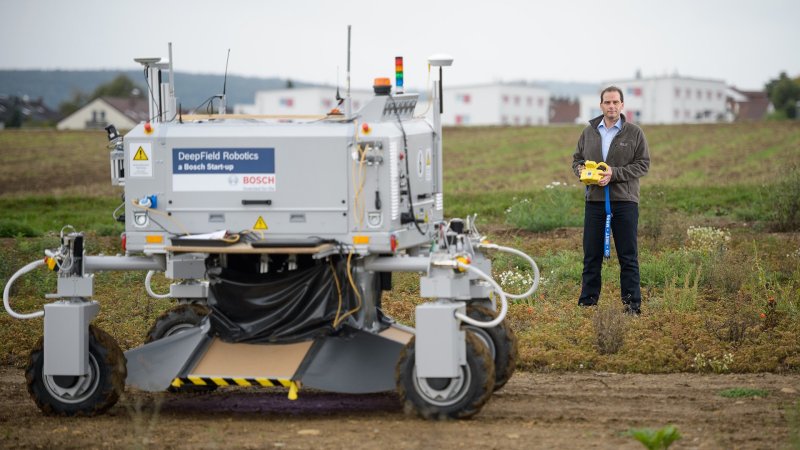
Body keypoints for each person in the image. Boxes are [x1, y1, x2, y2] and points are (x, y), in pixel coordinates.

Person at [571, 86, 650, 315]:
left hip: (625, 201)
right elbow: (577, 160)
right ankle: (587, 304)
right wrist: (582, 172)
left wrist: (613, 174)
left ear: (622, 105)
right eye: (607, 102)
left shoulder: (634, 133)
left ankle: (632, 306)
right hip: (594, 201)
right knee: (591, 256)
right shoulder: (589, 132)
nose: (612, 106)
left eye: (616, 102)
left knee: (628, 256)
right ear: (601, 105)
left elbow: (643, 164)